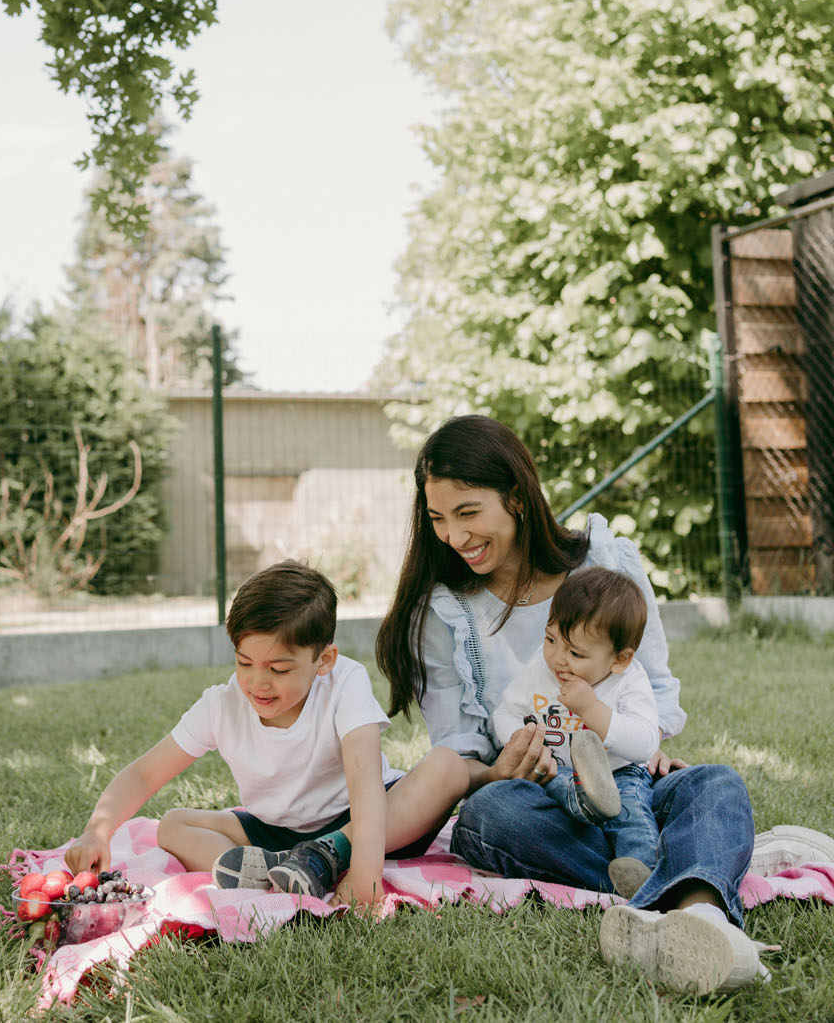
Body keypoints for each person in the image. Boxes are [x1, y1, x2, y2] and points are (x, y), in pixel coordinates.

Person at [376, 414, 834, 996]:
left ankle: (697, 922)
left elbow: (657, 689)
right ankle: (693, 890)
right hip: (541, 798)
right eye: (438, 519)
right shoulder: (444, 614)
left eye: (468, 513)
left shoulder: (606, 566)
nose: (454, 537)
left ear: (517, 498)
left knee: (713, 784)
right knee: (492, 816)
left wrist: (651, 744)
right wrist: (496, 770)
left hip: (627, 779)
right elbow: (459, 749)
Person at [65, 559, 469, 909]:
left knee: (448, 767)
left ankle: (327, 856)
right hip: (274, 832)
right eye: (245, 663)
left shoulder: (346, 682)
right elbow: (144, 774)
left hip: (367, 821)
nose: (258, 683)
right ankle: (275, 871)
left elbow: (365, 786)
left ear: (323, 660)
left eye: (278, 670)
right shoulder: (222, 704)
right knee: (172, 824)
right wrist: (97, 831)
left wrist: (365, 871)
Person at [491, 565, 660, 899]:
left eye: (575, 653)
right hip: (557, 772)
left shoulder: (629, 680)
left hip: (617, 775)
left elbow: (645, 743)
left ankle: (639, 872)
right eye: (551, 639)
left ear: (619, 659)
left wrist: (591, 710)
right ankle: (580, 805)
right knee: (522, 797)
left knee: (632, 820)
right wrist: (521, 741)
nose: (557, 658)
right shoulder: (542, 668)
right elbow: (506, 711)